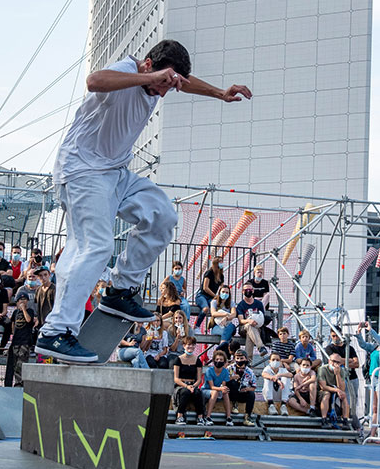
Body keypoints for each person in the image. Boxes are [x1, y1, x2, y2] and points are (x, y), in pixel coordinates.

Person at [36, 39, 251, 362]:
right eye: (162, 84)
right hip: (82, 172)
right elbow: (94, 81)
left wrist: (219, 93)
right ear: (148, 65)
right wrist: (151, 79)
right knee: (95, 246)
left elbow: (185, 82)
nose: (162, 93)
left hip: (116, 173)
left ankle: (120, 290)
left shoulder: (161, 79)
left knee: (163, 215)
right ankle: (56, 332)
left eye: (168, 87)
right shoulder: (126, 70)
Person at [5, 291, 35, 387]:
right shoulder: (15, 312)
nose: (22, 301)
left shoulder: (30, 311)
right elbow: (13, 324)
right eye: (20, 299)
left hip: (25, 341)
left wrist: (24, 310)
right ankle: (13, 383)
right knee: (14, 363)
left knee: (21, 364)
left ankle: (20, 383)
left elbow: (29, 320)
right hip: (16, 341)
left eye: (24, 299)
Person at [173, 336, 205, 425]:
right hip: (181, 385)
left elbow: (199, 379)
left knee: (198, 393)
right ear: (184, 346)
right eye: (188, 345)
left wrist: (193, 386)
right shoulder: (178, 359)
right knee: (185, 392)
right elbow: (176, 378)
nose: (190, 347)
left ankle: (200, 417)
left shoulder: (197, 360)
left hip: (193, 384)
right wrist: (186, 386)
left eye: (192, 345)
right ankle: (179, 416)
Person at [317, 353, 350, 428]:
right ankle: (324, 419)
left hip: (335, 390)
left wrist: (337, 374)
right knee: (327, 394)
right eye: (333, 361)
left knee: (344, 396)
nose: (335, 364)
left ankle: (345, 420)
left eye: (338, 362)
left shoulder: (341, 371)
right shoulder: (322, 369)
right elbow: (323, 386)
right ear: (329, 361)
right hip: (324, 391)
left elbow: (342, 388)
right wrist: (337, 390)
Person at [235, 283, 267, 360]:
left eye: (249, 289)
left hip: (257, 327)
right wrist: (249, 321)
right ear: (243, 291)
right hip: (244, 328)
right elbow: (241, 320)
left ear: (253, 291)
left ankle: (247, 360)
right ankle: (261, 347)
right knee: (249, 326)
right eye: (246, 290)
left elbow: (262, 317)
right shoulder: (241, 305)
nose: (248, 291)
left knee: (250, 334)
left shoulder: (259, 304)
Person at [226, 348, 257, 425]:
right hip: (231, 393)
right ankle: (235, 405)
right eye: (237, 358)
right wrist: (231, 378)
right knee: (233, 383)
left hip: (242, 393)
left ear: (246, 359)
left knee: (251, 394)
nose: (239, 360)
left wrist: (247, 389)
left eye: (241, 358)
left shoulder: (250, 372)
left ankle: (247, 417)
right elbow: (223, 380)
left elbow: (253, 387)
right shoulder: (230, 368)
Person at [203, 348, 233, 425]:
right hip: (206, 390)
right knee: (215, 392)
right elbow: (211, 387)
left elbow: (223, 384)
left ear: (224, 361)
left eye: (221, 359)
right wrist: (221, 388)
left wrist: (223, 389)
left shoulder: (225, 371)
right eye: (217, 359)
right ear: (213, 361)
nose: (219, 361)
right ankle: (208, 416)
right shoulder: (209, 370)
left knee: (225, 392)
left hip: (217, 390)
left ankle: (229, 417)